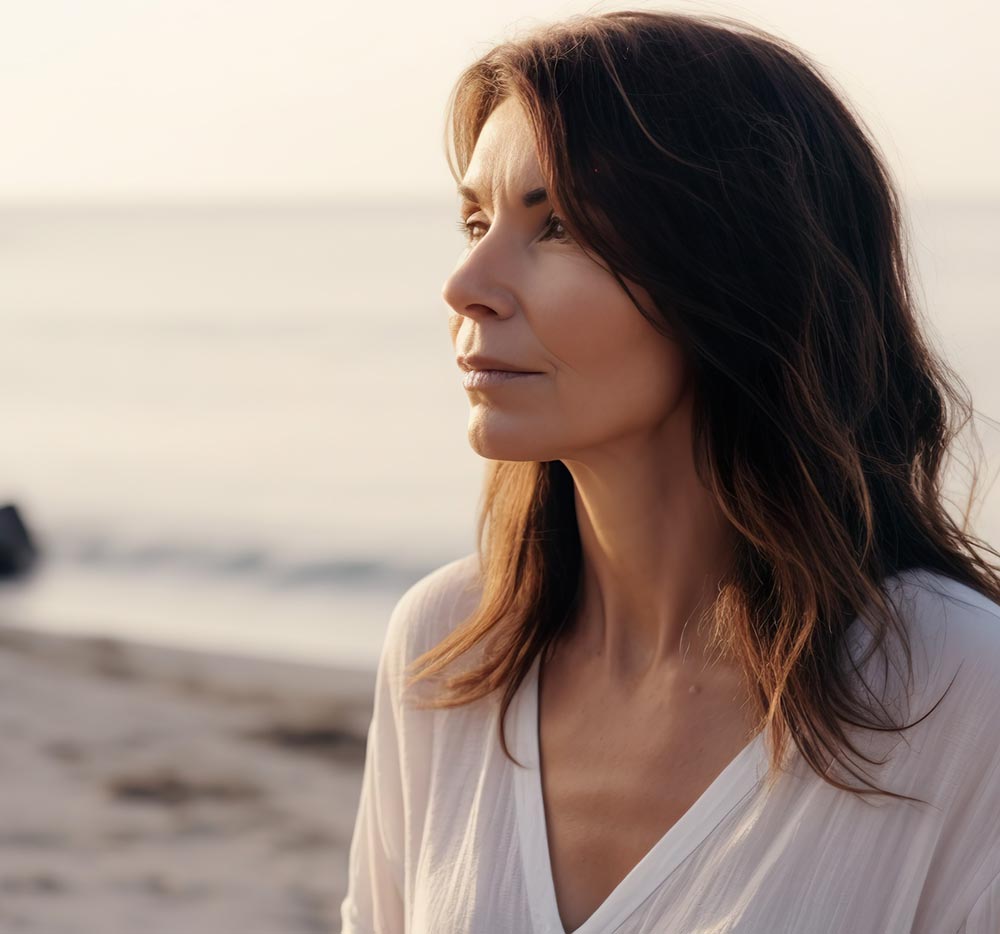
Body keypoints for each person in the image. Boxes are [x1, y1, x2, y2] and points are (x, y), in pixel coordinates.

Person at [340, 10, 1000, 933]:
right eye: (475, 219)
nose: (465, 284)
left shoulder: (962, 692)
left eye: (557, 223)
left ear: (736, 268)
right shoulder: (447, 655)